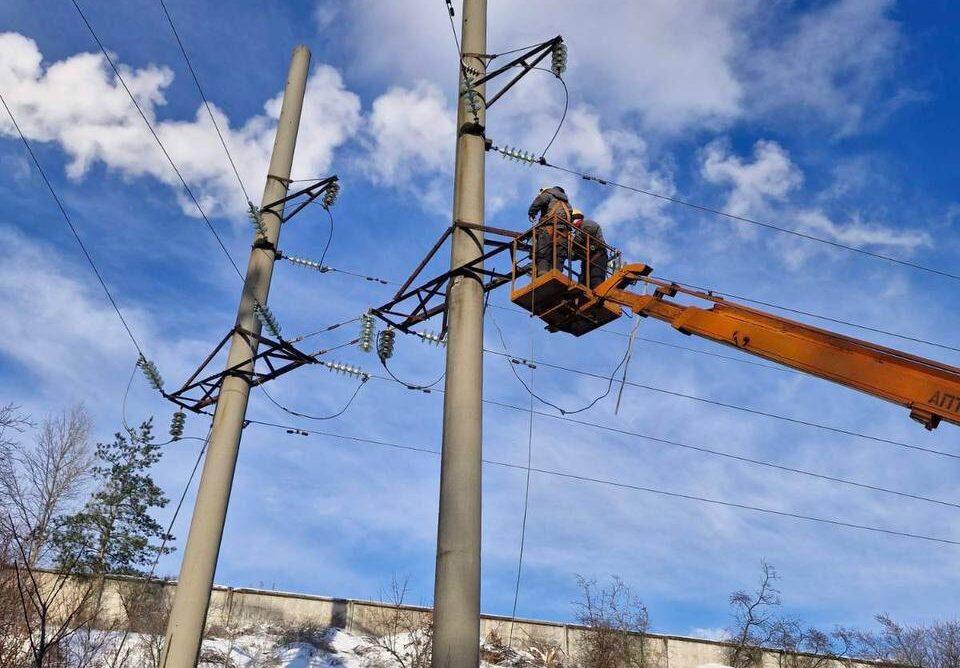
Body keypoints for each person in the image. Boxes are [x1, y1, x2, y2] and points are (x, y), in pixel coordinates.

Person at [527, 185, 572, 276]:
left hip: (549, 227)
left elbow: (537, 203)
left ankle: (542, 272)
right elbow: (570, 217)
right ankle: (556, 274)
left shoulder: (547, 194)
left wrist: (531, 213)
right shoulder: (567, 204)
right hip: (564, 232)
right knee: (559, 254)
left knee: (543, 250)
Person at [572, 209, 608, 289]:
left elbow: (583, 235)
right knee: (583, 282)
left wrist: (573, 243)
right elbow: (576, 253)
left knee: (596, 279)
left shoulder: (587, 224)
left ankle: (598, 296)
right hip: (587, 260)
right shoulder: (578, 231)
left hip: (598, 256)